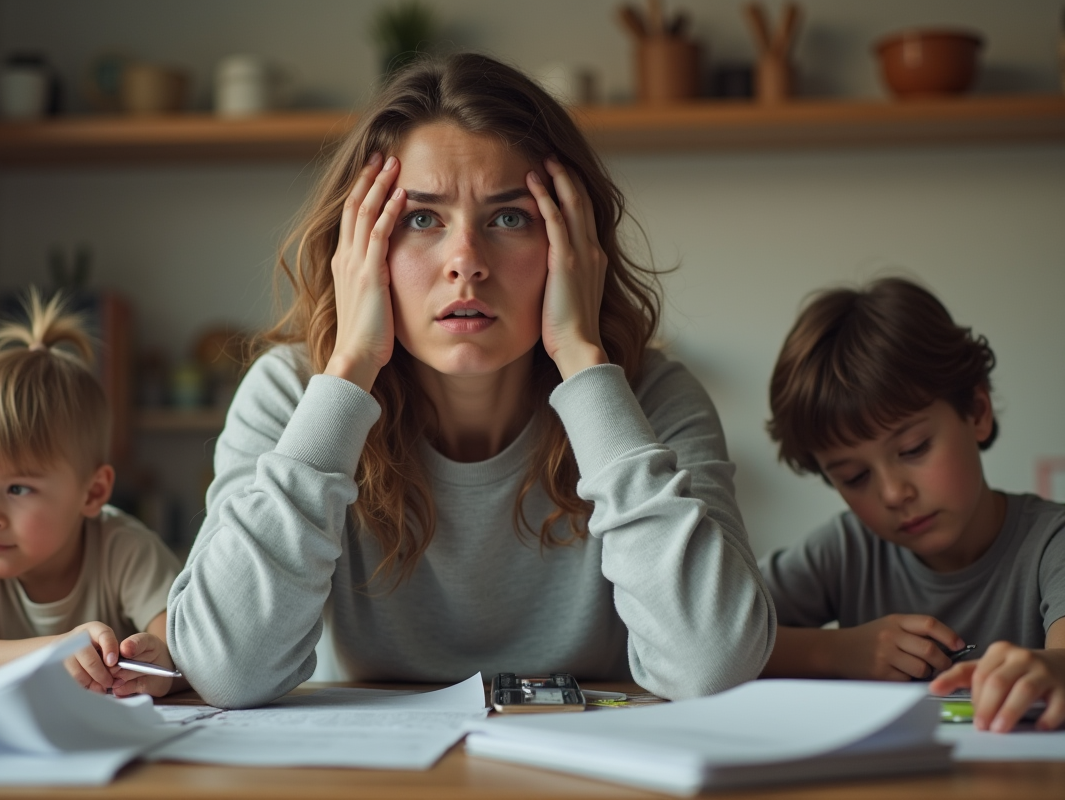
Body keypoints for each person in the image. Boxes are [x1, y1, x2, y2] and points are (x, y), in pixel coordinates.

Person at [167, 53, 775, 709]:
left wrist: (581, 358)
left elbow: (715, 667)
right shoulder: (291, 394)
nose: (466, 263)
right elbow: (225, 671)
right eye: (420, 219)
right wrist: (349, 371)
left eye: (509, 218)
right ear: (360, 248)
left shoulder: (651, 397)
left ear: (573, 246)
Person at [759, 277, 1065, 732]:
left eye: (914, 448)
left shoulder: (1050, 543)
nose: (892, 493)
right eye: (854, 477)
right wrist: (836, 651)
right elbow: (710, 640)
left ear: (977, 412)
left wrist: (1051, 670)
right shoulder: (846, 550)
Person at [0, 290, 184, 697]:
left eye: (17, 488)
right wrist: (58, 650)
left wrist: (157, 663)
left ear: (93, 492)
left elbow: (180, 650)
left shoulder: (126, 548)